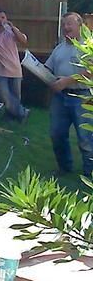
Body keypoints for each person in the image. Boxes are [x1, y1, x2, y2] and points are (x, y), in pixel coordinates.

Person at [44, 12, 93, 177]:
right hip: (60, 98)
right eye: (64, 24)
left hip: (83, 97)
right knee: (57, 134)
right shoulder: (60, 48)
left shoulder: (87, 46)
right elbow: (48, 67)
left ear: (80, 25)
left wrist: (67, 81)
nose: (66, 27)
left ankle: (89, 175)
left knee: (86, 138)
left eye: (69, 24)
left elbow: (90, 71)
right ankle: (65, 168)